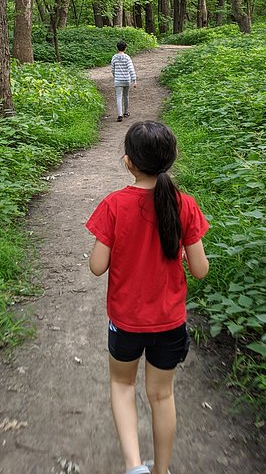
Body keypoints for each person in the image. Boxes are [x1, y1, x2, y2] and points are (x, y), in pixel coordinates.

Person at [86, 121, 209, 474]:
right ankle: (161, 470)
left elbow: (97, 266)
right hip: (170, 322)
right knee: (162, 395)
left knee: (122, 385)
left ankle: (134, 465)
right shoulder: (184, 204)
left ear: (129, 162)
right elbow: (200, 270)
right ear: (170, 159)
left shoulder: (114, 205)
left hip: (125, 321)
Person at [111, 40, 137, 122]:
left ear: (117, 48)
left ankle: (119, 115)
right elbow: (131, 69)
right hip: (126, 80)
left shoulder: (114, 57)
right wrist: (134, 80)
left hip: (118, 80)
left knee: (119, 97)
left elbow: (112, 69)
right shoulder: (127, 57)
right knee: (126, 96)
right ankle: (125, 112)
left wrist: (115, 76)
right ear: (125, 48)